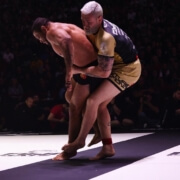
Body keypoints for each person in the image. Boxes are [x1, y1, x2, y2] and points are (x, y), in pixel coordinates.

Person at [62, 1, 141, 160]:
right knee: (100, 105)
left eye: (88, 22)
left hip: (128, 70)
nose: (84, 25)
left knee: (93, 101)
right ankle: (108, 147)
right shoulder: (94, 26)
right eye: (82, 20)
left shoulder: (106, 38)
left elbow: (103, 72)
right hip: (115, 66)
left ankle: (80, 141)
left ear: (100, 19)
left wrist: (77, 70)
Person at [32, 17, 103, 160]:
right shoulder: (62, 26)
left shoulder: (52, 32)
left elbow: (67, 42)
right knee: (69, 98)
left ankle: (70, 149)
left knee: (74, 107)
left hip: (88, 67)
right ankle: (98, 129)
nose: (40, 40)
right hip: (83, 67)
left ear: (44, 29)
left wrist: (69, 70)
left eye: (38, 36)